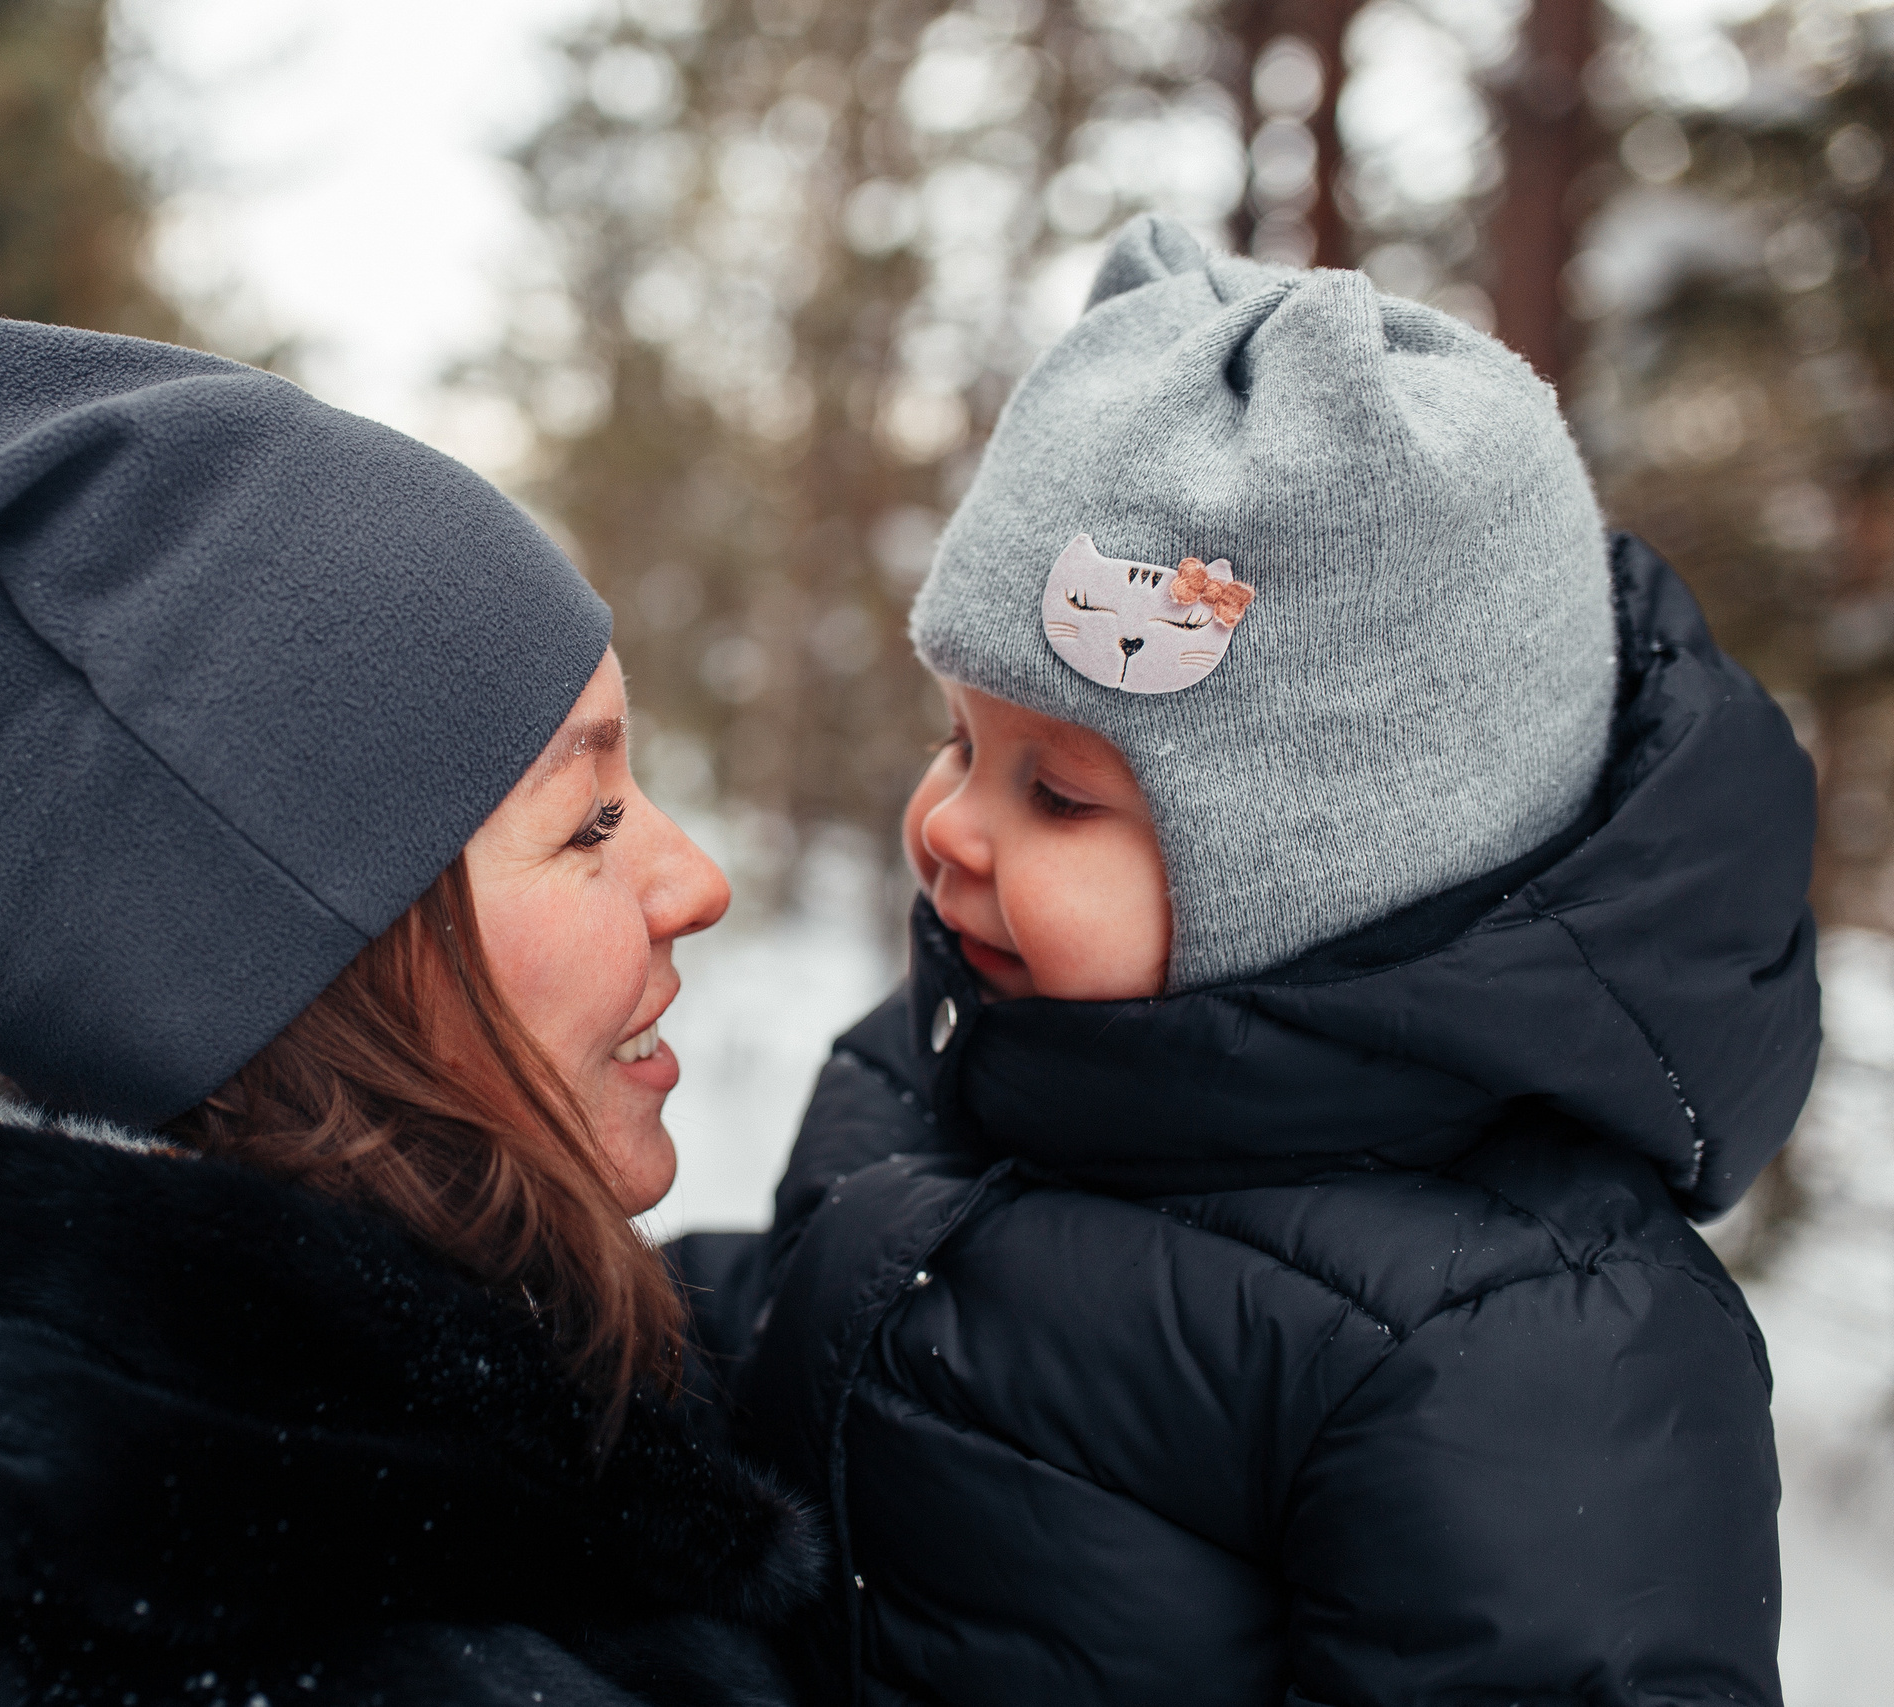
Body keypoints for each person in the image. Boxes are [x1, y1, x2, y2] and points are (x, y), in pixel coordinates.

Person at [0, 314, 821, 1707]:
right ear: (297, 966)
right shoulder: (319, 1654)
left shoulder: (451, 1401)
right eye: (588, 821)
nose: (695, 881)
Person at [677, 216, 1815, 1706]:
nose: (947, 824)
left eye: (1058, 793)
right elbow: (799, 1340)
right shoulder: (949, 1061)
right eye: (958, 739)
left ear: (1329, 875)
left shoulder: (1514, 1345)